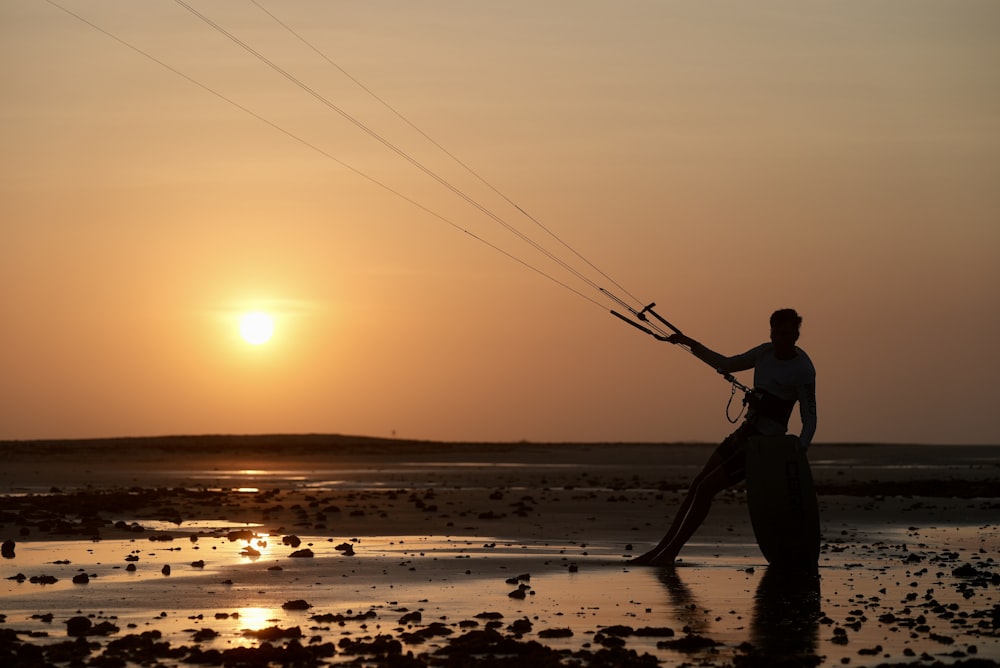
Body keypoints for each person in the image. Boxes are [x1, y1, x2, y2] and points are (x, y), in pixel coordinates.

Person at [631, 308, 817, 566]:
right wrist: (689, 343)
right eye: (777, 333)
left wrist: (801, 447)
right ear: (771, 332)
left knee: (707, 488)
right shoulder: (764, 352)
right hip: (746, 433)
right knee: (697, 485)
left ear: (796, 335)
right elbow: (727, 364)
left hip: (765, 445)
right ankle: (659, 550)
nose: (782, 339)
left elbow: (810, 416)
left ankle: (670, 553)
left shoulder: (803, 369)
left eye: (788, 333)